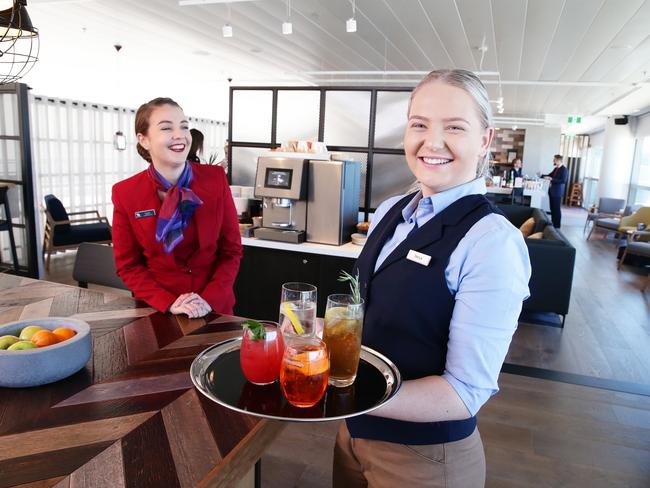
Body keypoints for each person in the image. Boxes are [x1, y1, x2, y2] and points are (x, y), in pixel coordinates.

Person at [333, 70, 531, 487]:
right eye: (419, 124)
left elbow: (464, 392)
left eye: (454, 127)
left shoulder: (492, 242)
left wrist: (341, 394)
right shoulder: (391, 210)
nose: (432, 142)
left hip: (425, 459)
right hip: (351, 433)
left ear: (484, 140)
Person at [111, 97, 242, 318]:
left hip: (215, 306)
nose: (179, 134)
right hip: (157, 310)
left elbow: (231, 251)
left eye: (184, 126)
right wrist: (169, 303)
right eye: (166, 128)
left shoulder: (216, 179)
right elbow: (128, 265)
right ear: (144, 140)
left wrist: (208, 299)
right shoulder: (126, 193)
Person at [543, 154, 568, 228]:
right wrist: (541, 175)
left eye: (554, 160)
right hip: (552, 191)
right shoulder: (555, 168)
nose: (553, 161)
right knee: (552, 208)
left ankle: (557, 226)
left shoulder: (564, 169)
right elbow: (549, 175)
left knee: (556, 209)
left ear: (559, 160)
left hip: (557, 192)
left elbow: (563, 180)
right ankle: (553, 223)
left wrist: (552, 179)